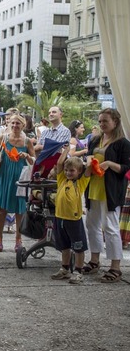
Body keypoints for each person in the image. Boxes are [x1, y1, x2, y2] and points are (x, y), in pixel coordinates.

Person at [83, 109, 130, 283]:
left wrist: (109, 163)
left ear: (115, 122)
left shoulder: (123, 143)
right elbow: (89, 155)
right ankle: (94, 259)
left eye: (105, 121)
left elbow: (126, 168)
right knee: (92, 224)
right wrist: (88, 160)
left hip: (111, 190)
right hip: (93, 187)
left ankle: (115, 266)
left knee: (110, 227)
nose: (102, 124)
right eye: (100, 121)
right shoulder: (95, 139)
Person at [0, 114, 35, 252]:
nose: (15, 126)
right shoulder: (4, 138)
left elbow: (34, 161)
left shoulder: (27, 141)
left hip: (20, 177)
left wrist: (26, 155)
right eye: (13, 123)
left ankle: (18, 239)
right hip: (3, 176)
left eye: (18, 123)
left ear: (23, 125)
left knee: (20, 209)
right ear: (9, 124)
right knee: (1, 209)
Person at [50, 147, 91, 284]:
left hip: (73, 220)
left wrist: (88, 158)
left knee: (78, 247)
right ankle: (65, 269)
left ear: (79, 172)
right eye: (67, 170)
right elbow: (60, 164)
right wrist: (66, 150)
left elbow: (89, 167)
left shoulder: (81, 183)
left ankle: (78, 271)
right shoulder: (62, 179)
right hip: (60, 217)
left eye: (72, 170)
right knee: (64, 246)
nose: (68, 172)